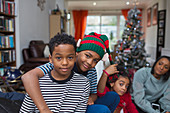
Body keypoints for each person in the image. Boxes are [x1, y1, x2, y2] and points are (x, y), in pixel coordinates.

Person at [21, 32, 120, 113]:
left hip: (79, 103)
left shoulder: (89, 74)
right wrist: (44, 109)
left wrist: (90, 98)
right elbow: (28, 76)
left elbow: (94, 94)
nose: (90, 62)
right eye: (87, 56)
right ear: (77, 53)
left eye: (95, 60)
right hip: (55, 103)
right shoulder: (56, 65)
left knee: (113, 97)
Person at [19, 33, 90, 112]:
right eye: (59, 58)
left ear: (75, 57)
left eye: (70, 57)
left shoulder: (83, 83)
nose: (65, 63)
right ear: (50, 59)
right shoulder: (36, 84)